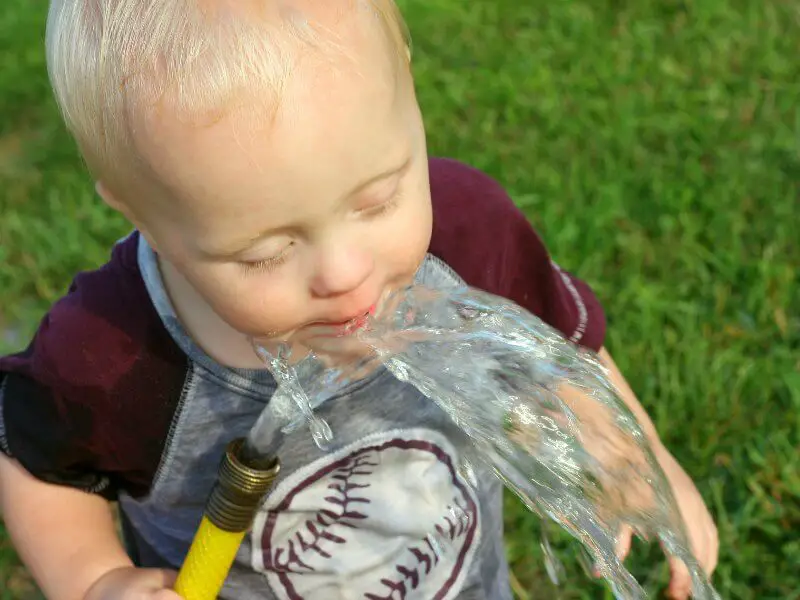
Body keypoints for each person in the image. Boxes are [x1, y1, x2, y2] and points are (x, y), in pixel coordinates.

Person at [0, 1, 718, 599]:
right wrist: (96, 579)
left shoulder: (469, 232)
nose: (345, 274)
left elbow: (561, 352)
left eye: (379, 200)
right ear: (143, 217)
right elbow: (34, 466)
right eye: (266, 252)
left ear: (408, 91)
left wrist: (636, 460)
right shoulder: (115, 348)